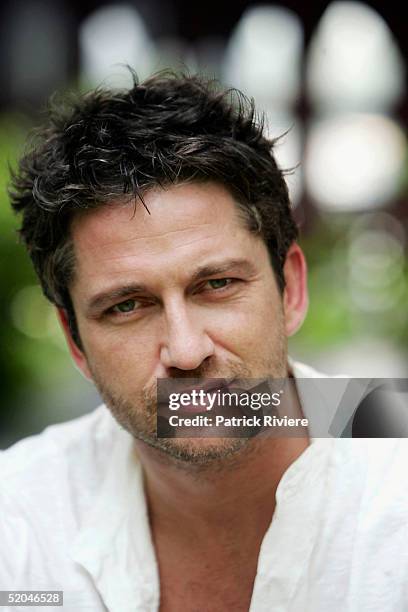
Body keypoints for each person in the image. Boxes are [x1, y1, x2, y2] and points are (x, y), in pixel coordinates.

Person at [1, 72, 407, 612]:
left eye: (217, 285)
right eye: (127, 306)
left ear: (292, 290)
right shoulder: (19, 520)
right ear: (76, 343)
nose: (187, 352)